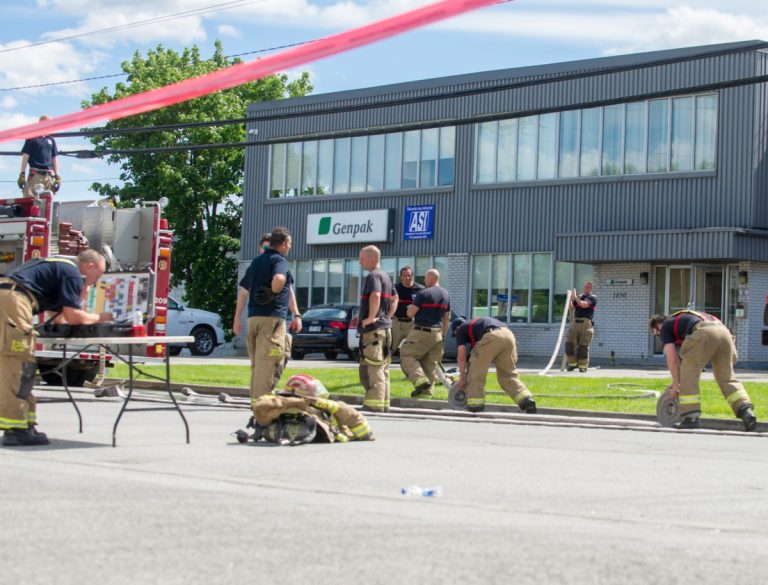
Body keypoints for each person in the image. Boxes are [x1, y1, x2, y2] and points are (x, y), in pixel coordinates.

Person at [0, 250, 111, 446]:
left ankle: (24, 425)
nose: (95, 283)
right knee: (19, 365)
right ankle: (16, 429)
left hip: (8, 298)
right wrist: (101, 318)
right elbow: (72, 316)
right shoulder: (72, 273)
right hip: (13, 303)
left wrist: (80, 294)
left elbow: (59, 316)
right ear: (90, 267)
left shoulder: (60, 266)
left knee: (15, 365)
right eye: (98, 276)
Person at [649, 311, 757, 431]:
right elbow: (684, 356)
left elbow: (672, 360)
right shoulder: (686, 318)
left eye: (657, 334)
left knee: (688, 374)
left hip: (704, 333)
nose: (660, 337)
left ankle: (691, 418)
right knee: (726, 377)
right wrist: (676, 379)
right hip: (725, 333)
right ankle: (745, 410)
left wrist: (676, 383)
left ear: (657, 326)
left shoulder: (666, 326)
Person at [233, 227, 302, 412]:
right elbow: (280, 279)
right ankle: (263, 408)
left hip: (253, 319)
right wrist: (274, 290)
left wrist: (236, 319)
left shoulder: (256, 262)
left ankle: (256, 404)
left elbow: (243, 291)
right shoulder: (279, 260)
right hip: (271, 320)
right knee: (271, 362)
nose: (290, 247)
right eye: (289, 243)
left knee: (258, 363)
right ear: (284, 243)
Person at [243, 374, 374, 445]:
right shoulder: (315, 410)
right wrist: (334, 406)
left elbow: (259, 407)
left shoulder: (277, 406)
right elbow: (361, 427)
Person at [452, 317, 537, 414]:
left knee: (475, 374)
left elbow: (461, 357)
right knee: (508, 375)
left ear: (456, 328)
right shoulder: (477, 326)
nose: (456, 336)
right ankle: (526, 400)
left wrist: (462, 378)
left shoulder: (461, 329)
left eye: (454, 334)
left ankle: (475, 406)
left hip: (492, 336)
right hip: (509, 335)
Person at [400, 268, 451, 398]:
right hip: (438, 334)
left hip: (421, 331)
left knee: (406, 355)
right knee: (429, 365)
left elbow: (411, 313)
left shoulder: (424, 293)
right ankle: (425, 396)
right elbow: (447, 318)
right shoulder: (446, 294)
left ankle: (420, 380)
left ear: (431, 278)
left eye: (425, 277)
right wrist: (443, 335)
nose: (423, 280)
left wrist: (409, 309)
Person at [357, 245, 395, 412]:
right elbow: (395, 298)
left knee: (373, 367)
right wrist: (388, 316)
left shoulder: (373, 276)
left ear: (372, 259)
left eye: (362, 258)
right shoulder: (386, 276)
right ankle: (384, 402)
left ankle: (374, 403)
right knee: (383, 367)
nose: (360, 261)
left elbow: (375, 295)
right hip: (385, 329)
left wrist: (371, 318)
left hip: (374, 331)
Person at [19, 115, 61, 198]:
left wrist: (57, 176)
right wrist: (22, 174)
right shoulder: (32, 138)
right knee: (30, 199)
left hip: (48, 176)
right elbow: (25, 157)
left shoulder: (51, 140)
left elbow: (54, 160)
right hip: (35, 175)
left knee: (47, 203)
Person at [390, 266, 423, 356]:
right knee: (390, 348)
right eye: (405, 275)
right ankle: (384, 368)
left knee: (414, 349)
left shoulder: (420, 290)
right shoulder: (394, 288)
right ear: (401, 277)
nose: (407, 278)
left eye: (409, 275)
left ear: (412, 276)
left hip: (412, 323)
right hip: (397, 323)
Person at [565, 281, 597, 372]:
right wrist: (569, 298)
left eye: (588, 287)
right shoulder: (579, 297)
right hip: (575, 322)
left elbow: (583, 305)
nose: (586, 288)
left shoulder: (592, 298)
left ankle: (583, 366)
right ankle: (572, 364)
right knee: (570, 344)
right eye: (585, 287)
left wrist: (575, 297)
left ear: (591, 288)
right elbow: (571, 308)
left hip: (586, 324)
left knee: (583, 346)